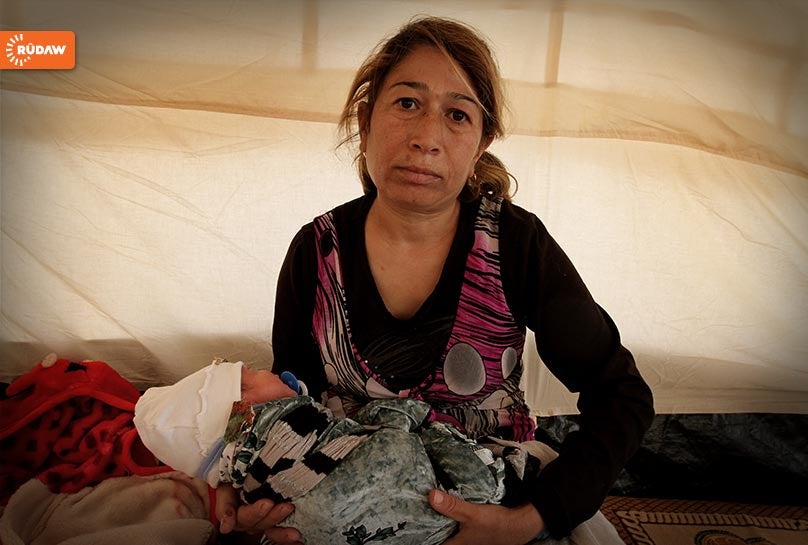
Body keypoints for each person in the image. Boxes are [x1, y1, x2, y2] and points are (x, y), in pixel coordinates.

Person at [218, 16, 654, 545]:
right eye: (407, 103)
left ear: (481, 141)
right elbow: (289, 403)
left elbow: (621, 395)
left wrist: (527, 521)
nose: (426, 138)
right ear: (365, 120)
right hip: (349, 506)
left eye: (457, 114)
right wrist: (240, 482)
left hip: (493, 502)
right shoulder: (316, 251)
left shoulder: (516, 246)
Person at [134, 360, 549, 545]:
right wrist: (412, 416)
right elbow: (384, 437)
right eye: (254, 374)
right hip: (477, 489)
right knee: (538, 461)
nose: (271, 371)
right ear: (245, 404)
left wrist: (232, 481)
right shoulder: (300, 429)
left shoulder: (258, 479)